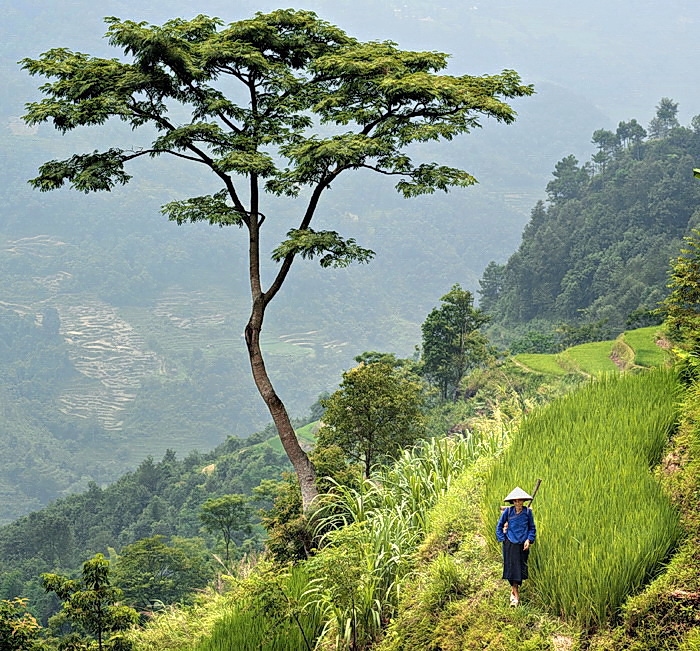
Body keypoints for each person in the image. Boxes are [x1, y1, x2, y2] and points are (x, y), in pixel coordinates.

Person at [496, 486, 536, 607]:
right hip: (510, 543)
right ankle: (516, 594)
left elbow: (532, 528)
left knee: (520, 568)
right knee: (511, 568)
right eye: (515, 501)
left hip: (522, 544)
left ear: (523, 501)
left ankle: (514, 590)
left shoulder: (527, 512)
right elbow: (499, 526)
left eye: (520, 501)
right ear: (513, 502)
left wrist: (529, 539)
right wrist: (503, 539)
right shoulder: (508, 512)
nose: (518, 503)